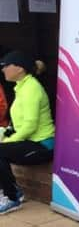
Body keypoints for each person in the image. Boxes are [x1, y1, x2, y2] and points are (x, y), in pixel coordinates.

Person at [0, 50, 55, 214]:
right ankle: (7, 191)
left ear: (19, 68)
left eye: (5, 66)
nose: (3, 70)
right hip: (29, 141)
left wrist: (8, 141)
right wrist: (6, 132)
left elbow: (30, 126)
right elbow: (20, 122)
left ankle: (13, 197)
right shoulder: (22, 87)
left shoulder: (32, 88)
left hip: (43, 144)